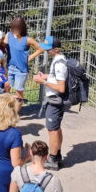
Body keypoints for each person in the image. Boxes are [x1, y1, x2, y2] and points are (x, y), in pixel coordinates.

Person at [33, 36, 69, 170]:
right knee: (56, 128)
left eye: (49, 49)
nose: (47, 51)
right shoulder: (58, 59)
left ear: (56, 49)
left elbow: (61, 87)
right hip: (54, 99)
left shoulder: (60, 63)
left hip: (55, 100)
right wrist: (45, 76)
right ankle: (57, 155)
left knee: (52, 130)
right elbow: (56, 77)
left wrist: (43, 82)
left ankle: (52, 159)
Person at [6, 17, 44, 112]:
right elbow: (2, 45)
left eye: (17, 28)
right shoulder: (8, 35)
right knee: (6, 87)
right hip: (9, 68)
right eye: (13, 28)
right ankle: (8, 110)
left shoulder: (27, 39)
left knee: (18, 92)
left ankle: (15, 114)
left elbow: (40, 49)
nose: (15, 30)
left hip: (21, 70)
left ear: (22, 28)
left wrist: (30, 57)